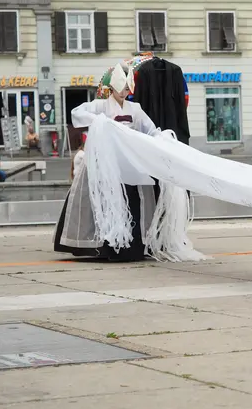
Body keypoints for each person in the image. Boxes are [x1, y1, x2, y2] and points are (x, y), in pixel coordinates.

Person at [53, 62, 201, 262]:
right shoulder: (100, 106)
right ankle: (105, 247)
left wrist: (162, 138)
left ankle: (132, 247)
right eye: (121, 89)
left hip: (130, 162)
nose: (124, 93)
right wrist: (100, 122)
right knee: (103, 202)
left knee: (133, 203)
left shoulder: (135, 108)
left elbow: (150, 129)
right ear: (112, 88)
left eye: (126, 89)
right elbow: (77, 113)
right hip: (107, 163)